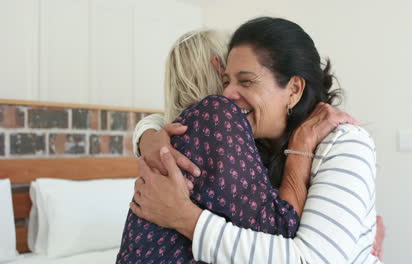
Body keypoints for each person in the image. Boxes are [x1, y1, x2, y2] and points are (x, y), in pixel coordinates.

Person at [125, 17, 383, 263]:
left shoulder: (344, 142)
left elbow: (308, 259)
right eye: (225, 80)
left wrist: (185, 218)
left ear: (294, 89)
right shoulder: (251, 138)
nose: (227, 94)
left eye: (246, 81)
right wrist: (148, 137)